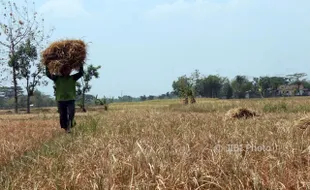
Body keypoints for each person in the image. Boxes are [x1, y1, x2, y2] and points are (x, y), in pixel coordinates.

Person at [46, 64, 84, 133]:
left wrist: (81, 64)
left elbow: (81, 73)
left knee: (71, 113)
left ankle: (69, 126)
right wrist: (47, 65)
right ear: (62, 71)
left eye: (68, 70)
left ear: (69, 71)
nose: (66, 71)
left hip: (70, 99)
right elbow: (48, 74)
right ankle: (66, 128)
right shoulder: (57, 78)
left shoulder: (73, 77)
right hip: (61, 100)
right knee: (62, 115)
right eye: (64, 70)